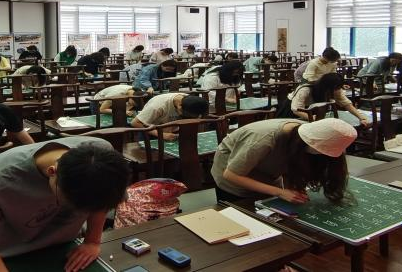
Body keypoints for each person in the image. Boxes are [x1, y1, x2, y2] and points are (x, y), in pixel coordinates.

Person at [0, 137, 130, 271]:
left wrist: (92, 241)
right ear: (52, 172)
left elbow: (101, 204)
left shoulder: (103, 157)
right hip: (9, 255)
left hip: (64, 247)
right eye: (69, 204)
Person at [211, 118, 356, 202]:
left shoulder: (311, 134)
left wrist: (290, 188)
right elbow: (231, 175)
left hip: (267, 174)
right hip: (233, 179)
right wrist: (280, 192)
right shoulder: (262, 140)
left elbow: (292, 162)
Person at [288, 73, 369, 126]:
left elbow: (347, 104)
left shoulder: (336, 89)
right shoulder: (305, 89)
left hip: (314, 111)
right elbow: (296, 109)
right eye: (335, 88)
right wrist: (312, 118)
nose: (337, 90)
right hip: (296, 112)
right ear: (326, 86)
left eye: (339, 87)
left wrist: (361, 117)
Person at [131, 93, 209, 141]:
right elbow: (135, 123)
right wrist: (161, 134)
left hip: (173, 133)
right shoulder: (158, 107)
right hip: (151, 133)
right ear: (179, 107)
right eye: (187, 116)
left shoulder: (191, 101)